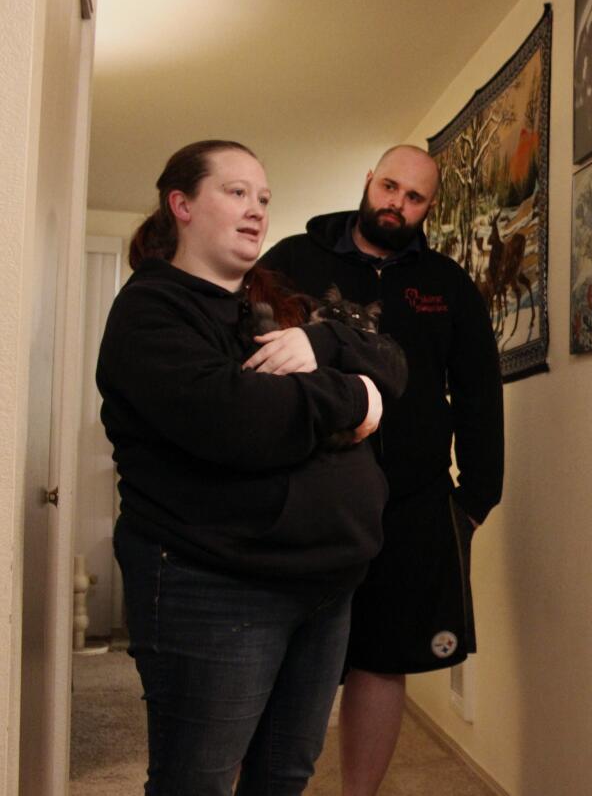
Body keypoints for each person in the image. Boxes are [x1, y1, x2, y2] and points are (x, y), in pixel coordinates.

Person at [98, 139, 407, 794]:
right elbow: (241, 420)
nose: (256, 209)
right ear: (180, 204)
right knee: (198, 780)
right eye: (235, 192)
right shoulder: (153, 311)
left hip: (325, 584)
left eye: (263, 197)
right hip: (216, 587)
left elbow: (391, 360)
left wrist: (322, 343)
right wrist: (357, 395)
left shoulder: (275, 301)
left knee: (286, 774)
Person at [258, 143, 504, 796]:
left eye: (415, 196)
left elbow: (479, 392)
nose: (397, 203)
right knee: (279, 653)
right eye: (390, 186)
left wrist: (476, 497)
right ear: (369, 182)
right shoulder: (291, 260)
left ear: (429, 206)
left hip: (411, 504)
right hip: (304, 495)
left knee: (382, 658)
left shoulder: (448, 283)